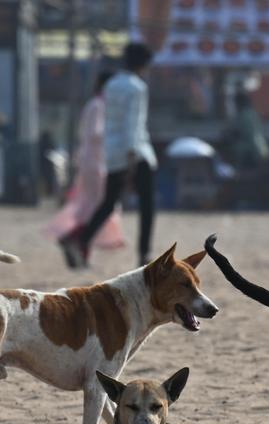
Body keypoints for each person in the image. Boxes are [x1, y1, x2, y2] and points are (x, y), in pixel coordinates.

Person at [60, 42, 157, 269]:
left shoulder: (111, 85)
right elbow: (133, 124)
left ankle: (80, 239)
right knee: (147, 205)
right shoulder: (137, 87)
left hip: (112, 152)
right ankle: (144, 253)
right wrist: (132, 157)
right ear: (143, 64)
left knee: (108, 203)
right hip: (136, 152)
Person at [45, 71, 126, 251]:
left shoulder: (96, 104)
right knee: (99, 204)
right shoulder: (98, 105)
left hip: (92, 161)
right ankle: (76, 238)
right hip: (95, 163)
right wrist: (115, 134)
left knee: (91, 203)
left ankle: (82, 242)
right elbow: (96, 133)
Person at [225, 90, 269, 171]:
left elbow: (234, 132)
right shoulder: (255, 114)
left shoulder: (243, 115)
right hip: (263, 151)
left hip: (249, 153)